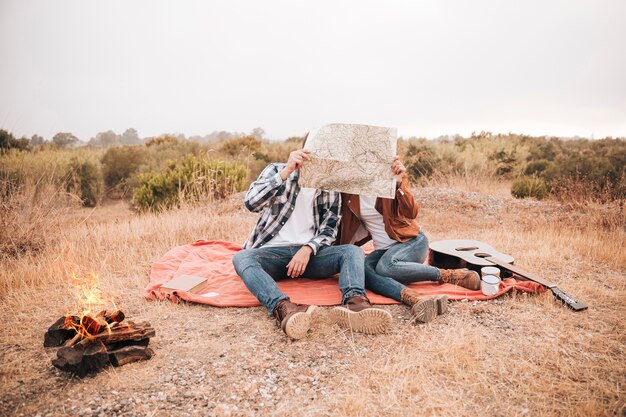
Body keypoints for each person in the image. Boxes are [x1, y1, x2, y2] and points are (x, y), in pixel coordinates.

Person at [232, 145, 392, 339]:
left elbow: (329, 229)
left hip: (310, 257)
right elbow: (251, 203)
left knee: (352, 252)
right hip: (270, 255)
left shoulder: (329, 186)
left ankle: (355, 305)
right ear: (304, 150)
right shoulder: (276, 170)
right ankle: (285, 309)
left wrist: (308, 248)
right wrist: (285, 173)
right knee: (242, 258)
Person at [338, 156, 481, 323]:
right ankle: (415, 298)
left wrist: (399, 185)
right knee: (364, 271)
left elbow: (411, 212)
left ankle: (450, 276)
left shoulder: (391, 177)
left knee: (386, 267)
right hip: (383, 250)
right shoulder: (349, 191)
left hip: (411, 241)